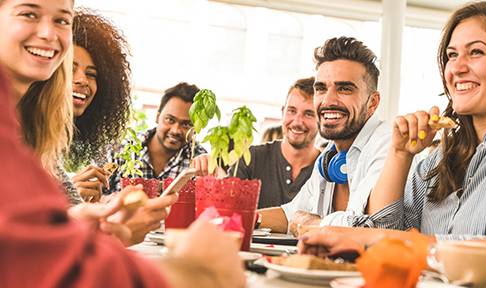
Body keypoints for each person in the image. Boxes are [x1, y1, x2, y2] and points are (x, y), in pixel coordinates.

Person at [300, 1, 486, 286]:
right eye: (451, 55)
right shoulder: (439, 155)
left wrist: (375, 240)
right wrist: (400, 154)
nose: (457, 68)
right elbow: (385, 233)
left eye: (475, 52)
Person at [0, 1, 244, 288]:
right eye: (29, 13)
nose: (49, 33)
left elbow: (37, 243)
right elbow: (53, 272)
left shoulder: (35, 141)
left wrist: (93, 226)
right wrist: (200, 272)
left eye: (62, 20)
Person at [258, 37, 392, 235]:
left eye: (344, 89)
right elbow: (291, 216)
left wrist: (314, 224)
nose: (328, 100)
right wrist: (238, 219)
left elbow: (366, 227)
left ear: (372, 102)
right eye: (321, 88)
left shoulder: (387, 143)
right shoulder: (329, 156)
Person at [66, 10, 132, 203]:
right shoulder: (19, 132)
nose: (83, 80)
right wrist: (68, 197)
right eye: (71, 69)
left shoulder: (60, 141)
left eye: (92, 74)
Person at [229, 77, 320, 209]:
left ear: (321, 119)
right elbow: (226, 208)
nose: (297, 121)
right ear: (283, 112)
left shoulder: (326, 169)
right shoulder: (252, 158)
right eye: (292, 111)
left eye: (309, 114)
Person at [107, 82, 207, 193]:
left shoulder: (200, 159)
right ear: (157, 117)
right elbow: (94, 197)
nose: (175, 130)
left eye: (186, 124)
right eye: (170, 120)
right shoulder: (121, 150)